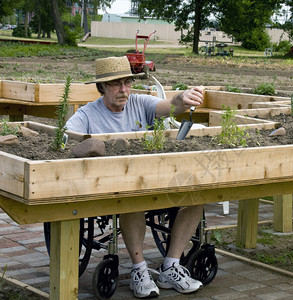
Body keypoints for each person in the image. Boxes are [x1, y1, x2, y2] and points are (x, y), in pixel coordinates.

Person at [66, 56, 204, 298]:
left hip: (152, 179)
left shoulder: (140, 103)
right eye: (115, 84)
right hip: (116, 188)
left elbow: (169, 106)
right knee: (132, 196)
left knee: (197, 195)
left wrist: (184, 98)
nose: (123, 90)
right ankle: (139, 270)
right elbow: (65, 140)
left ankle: (171, 265)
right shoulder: (86, 116)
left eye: (127, 83)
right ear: (101, 87)